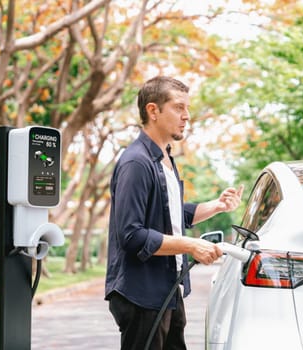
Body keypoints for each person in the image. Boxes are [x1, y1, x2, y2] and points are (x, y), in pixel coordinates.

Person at [105, 76, 244, 350]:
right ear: (153, 111)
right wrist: (191, 245)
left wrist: (217, 205)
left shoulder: (164, 158)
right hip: (140, 294)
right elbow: (131, 235)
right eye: (179, 108)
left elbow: (173, 216)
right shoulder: (136, 162)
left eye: (187, 108)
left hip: (168, 290)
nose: (187, 116)